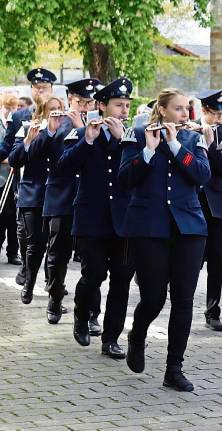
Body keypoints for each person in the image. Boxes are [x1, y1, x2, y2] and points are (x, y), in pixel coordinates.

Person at [119, 88, 211, 392]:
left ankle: (174, 368)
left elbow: (202, 175)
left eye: (187, 109)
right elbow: (124, 179)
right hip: (149, 227)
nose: (184, 115)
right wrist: (148, 151)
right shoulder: (138, 134)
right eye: (178, 109)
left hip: (189, 228)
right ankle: (138, 333)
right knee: (154, 297)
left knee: (183, 299)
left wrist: (173, 144)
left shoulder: (191, 138)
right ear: (162, 109)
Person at [59, 77, 136, 359]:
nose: (123, 111)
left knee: (122, 279)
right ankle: (82, 316)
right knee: (93, 275)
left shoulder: (133, 138)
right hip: (92, 218)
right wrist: (88, 141)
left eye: (127, 106)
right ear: (102, 106)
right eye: (118, 105)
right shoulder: (82, 134)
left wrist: (121, 141)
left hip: (123, 221)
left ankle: (111, 338)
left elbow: (139, 171)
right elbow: (63, 168)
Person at [33, 78, 102, 324]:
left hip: (87, 200)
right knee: (57, 254)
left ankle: (92, 313)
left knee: (92, 259)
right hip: (61, 198)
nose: (85, 107)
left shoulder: (97, 124)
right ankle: (54, 300)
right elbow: (37, 154)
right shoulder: (58, 122)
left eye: (90, 102)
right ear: (70, 99)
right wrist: (55, 129)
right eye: (81, 101)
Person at [3, 69, 56, 293]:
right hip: (26, 183)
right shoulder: (20, 116)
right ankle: (27, 267)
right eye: (36, 87)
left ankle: (52, 280)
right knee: (26, 232)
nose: (40, 90)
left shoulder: (60, 114)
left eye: (44, 87)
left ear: (52, 90)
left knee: (53, 238)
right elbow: (8, 148)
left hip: (54, 185)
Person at [10, 94, 65, 305]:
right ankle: (29, 282)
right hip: (33, 194)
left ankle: (54, 293)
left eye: (59, 108)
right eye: (52, 109)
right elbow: (16, 159)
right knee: (35, 244)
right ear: (42, 111)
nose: (56, 113)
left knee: (57, 249)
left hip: (58, 195)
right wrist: (29, 140)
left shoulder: (66, 131)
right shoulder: (30, 128)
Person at [195, 90, 222, 332]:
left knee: (217, 260)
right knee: (190, 259)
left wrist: (211, 144)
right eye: (215, 113)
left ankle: (213, 310)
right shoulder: (188, 130)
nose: (220, 118)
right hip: (190, 202)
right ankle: (183, 301)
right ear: (204, 111)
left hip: (214, 204)